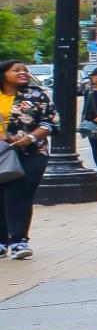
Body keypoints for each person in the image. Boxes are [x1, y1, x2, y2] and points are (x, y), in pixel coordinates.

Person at [0, 58, 58, 258]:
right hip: (1, 152)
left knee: (18, 195)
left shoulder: (36, 95)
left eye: (25, 70)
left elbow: (51, 122)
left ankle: (19, 241)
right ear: (3, 74)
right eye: (16, 70)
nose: (23, 73)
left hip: (31, 152)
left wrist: (31, 137)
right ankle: (1, 241)